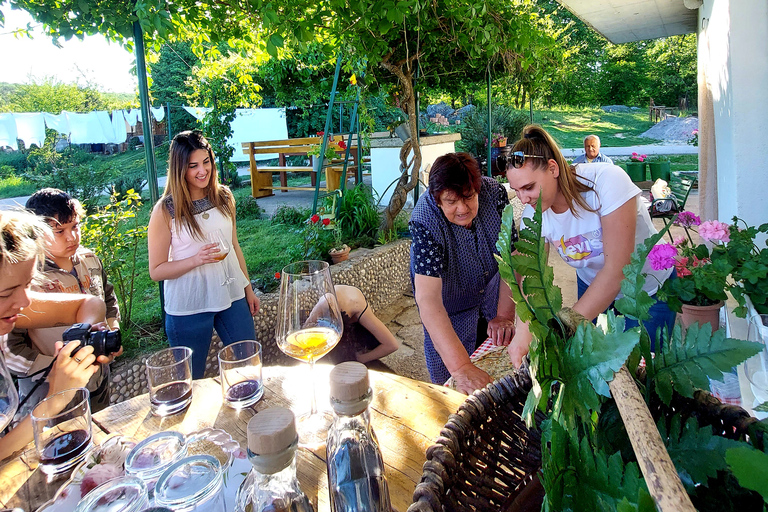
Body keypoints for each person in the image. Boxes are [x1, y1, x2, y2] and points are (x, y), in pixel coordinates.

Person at [505, 125, 675, 368]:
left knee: (643, 372)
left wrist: (564, 328)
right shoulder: (534, 212)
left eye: (529, 187)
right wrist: (524, 329)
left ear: (553, 168)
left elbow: (619, 270)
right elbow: (533, 276)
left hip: (647, 287)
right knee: (596, 368)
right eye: (516, 191)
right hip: (593, 283)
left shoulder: (607, 180)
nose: (524, 200)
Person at [148, 130, 259, 379]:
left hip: (231, 295)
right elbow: (156, 271)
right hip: (189, 303)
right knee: (191, 378)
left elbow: (234, 246)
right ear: (179, 169)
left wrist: (247, 288)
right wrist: (195, 260)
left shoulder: (223, 196)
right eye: (193, 166)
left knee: (249, 364)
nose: (202, 171)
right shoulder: (166, 210)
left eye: (206, 162)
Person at [0, 209, 108, 461]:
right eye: (6, 293)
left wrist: (84, 335)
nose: (25, 300)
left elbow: (90, 304)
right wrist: (55, 399)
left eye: (28, 284)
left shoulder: (17, 303)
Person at [2, 188, 121, 415]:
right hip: (47, 391)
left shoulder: (90, 259)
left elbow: (107, 297)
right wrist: (54, 369)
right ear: (36, 233)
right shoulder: (26, 279)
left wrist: (111, 330)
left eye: (75, 227)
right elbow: (11, 349)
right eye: (59, 231)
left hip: (97, 379)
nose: (71, 237)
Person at [409, 152, 517, 394]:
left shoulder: (495, 194)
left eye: (468, 197)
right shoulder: (424, 221)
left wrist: (504, 315)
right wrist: (460, 367)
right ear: (437, 200)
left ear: (478, 189)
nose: (462, 208)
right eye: (451, 201)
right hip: (449, 312)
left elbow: (513, 257)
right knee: (453, 392)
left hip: (492, 298)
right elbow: (427, 299)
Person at [318, 285, 401, 372]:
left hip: (353, 317)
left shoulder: (359, 308)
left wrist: (360, 359)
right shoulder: (321, 308)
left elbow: (392, 345)